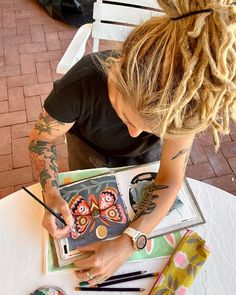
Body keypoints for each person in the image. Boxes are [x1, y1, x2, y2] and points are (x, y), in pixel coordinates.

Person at [28, 0, 236, 286]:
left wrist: (129, 241)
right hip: (87, 151)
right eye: (126, 116)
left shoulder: (181, 106)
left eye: (151, 128)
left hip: (147, 159)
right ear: (117, 70)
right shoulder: (80, 84)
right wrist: (51, 194)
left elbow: (170, 178)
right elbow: (42, 140)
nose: (134, 134)